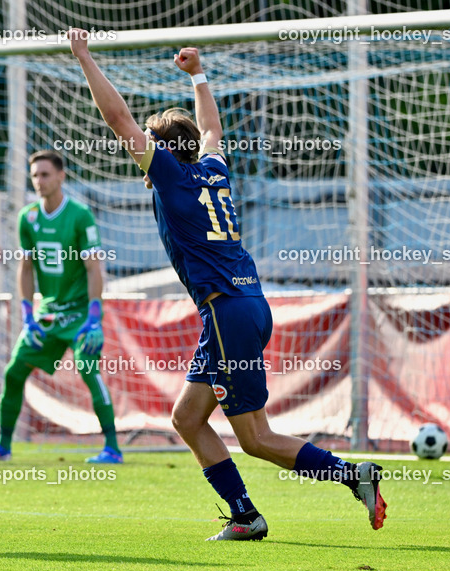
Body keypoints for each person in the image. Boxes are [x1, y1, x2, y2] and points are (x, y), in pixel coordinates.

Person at [68, 31, 386, 539]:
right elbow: (212, 130)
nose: (137, 154)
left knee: (256, 437)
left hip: (226, 314)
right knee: (187, 418)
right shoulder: (213, 169)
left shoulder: (171, 177)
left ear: (162, 151)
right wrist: (198, 75)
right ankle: (244, 516)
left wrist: (83, 56)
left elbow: (117, 118)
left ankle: (353, 475)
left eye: (147, 146)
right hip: (246, 306)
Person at [0, 149, 122, 464]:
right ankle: (3, 447)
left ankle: (112, 449)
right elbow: (25, 269)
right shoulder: (28, 217)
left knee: (89, 371)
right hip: (48, 315)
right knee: (13, 373)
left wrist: (94, 317)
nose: (39, 181)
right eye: (35, 175)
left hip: (80, 315)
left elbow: (94, 269)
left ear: (61, 176)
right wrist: (28, 316)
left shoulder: (80, 215)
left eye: (45, 174)